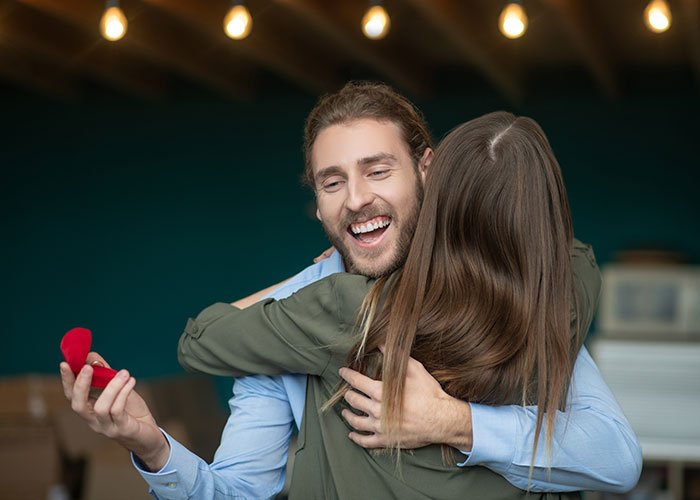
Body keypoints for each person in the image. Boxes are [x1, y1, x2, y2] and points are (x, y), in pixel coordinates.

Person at [60, 83, 641, 499]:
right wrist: (154, 449)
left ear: (428, 171)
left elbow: (612, 456)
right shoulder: (286, 329)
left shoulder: (511, 287)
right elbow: (234, 493)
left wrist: (453, 421)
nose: (357, 198)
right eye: (332, 182)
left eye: (378, 170)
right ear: (316, 204)